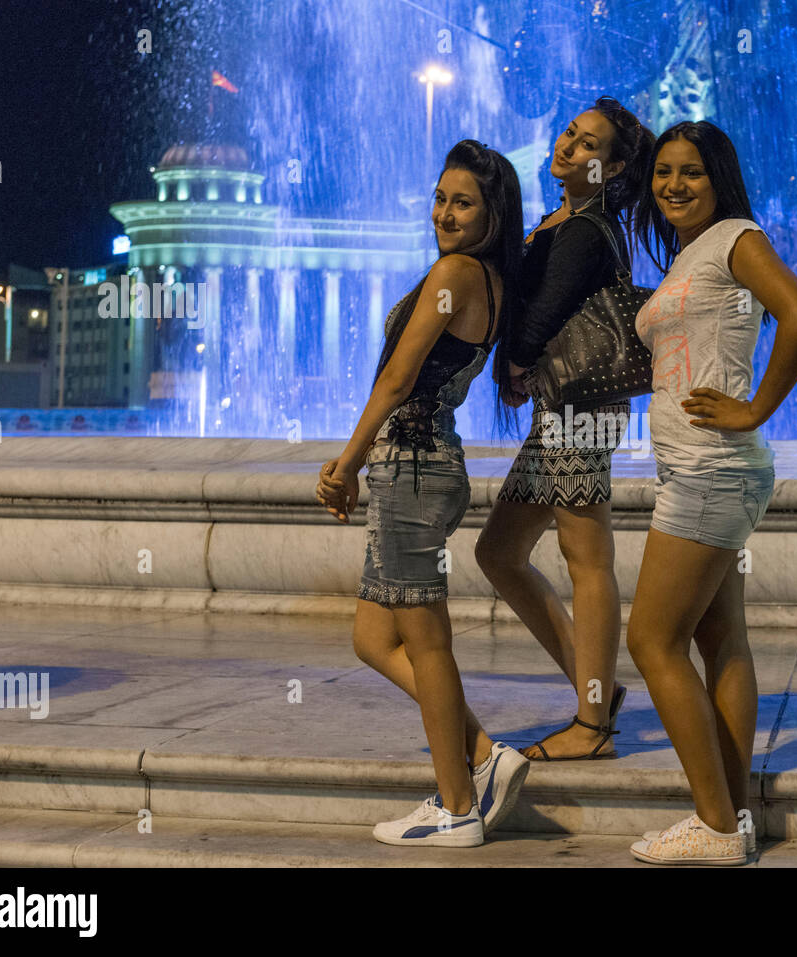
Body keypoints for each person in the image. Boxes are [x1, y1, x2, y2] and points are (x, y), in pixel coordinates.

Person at [316, 140, 527, 847]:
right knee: (372, 638)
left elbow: (399, 378)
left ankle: (457, 803)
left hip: (411, 466)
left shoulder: (456, 273)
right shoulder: (491, 278)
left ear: (491, 214)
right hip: (423, 463)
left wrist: (346, 461)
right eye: (439, 198)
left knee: (427, 640)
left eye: (462, 202)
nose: (444, 212)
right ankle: (481, 752)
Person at [626, 121, 797, 865]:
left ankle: (712, 823)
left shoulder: (738, 236)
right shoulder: (690, 253)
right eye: (664, 172)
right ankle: (731, 815)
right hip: (703, 467)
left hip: (713, 466)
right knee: (718, 639)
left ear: (721, 179)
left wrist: (755, 408)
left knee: (650, 639)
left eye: (692, 172)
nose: (674, 184)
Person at [474, 97, 654, 761]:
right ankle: (596, 689)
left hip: (579, 410)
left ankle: (593, 725)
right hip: (562, 408)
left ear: (611, 167)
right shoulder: (566, 217)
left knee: (587, 559)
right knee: (497, 551)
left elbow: (544, 311)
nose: (568, 146)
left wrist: (517, 363)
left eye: (587, 145)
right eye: (570, 134)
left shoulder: (586, 228)